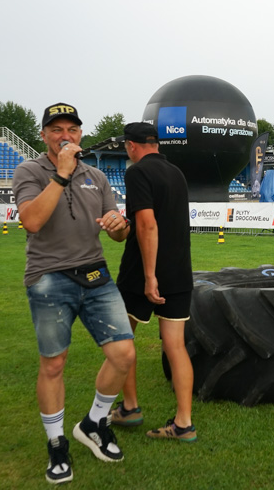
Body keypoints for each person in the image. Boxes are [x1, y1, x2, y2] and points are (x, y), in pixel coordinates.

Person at [12, 103, 135, 484]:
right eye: (57, 129)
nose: (66, 135)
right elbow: (31, 221)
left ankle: (94, 423)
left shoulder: (97, 176)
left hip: (96, 274)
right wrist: (61, 176)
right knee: (53, 364)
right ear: (44, 135)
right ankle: (56, 443)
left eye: (73, 129)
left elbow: (117, 233)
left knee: (124, 354)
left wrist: (119, 225)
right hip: (49, 276)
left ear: (81, 134)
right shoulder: (29, 171)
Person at [110, 122, 197, 442]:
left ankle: (130, 408)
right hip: (179, 272)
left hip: (142, 274)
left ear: (131, 146)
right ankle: (184, 423)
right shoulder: (177, 172)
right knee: (175, 346)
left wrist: (149, 277)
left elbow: (147, 225)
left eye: (126, 147)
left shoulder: (136, 173)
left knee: (122, 341)